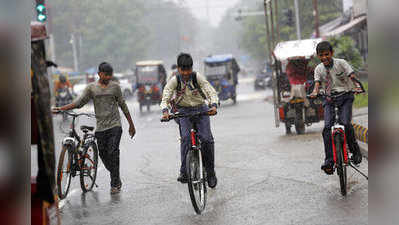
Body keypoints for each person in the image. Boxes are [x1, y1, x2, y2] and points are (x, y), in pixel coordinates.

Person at [52, 62, 136, 194]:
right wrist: (60, 108)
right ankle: (116, 176)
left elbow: (123, 105)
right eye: (106, 75)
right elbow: (79, 103)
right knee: (103, 154)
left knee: (113, 152)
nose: (108, 77)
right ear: (99, 74)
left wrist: (131, 124)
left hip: (115, 125)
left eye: (110, 75)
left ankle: (114, 183)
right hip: (101, 127)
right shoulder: (92, 88)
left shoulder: (115, 87)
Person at [160, 53, 219, 188]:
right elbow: (166, 96)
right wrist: (165, 112)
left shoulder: (197, 77)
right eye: (183, 70)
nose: (186, 73)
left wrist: (214, 105)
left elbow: (210, 91)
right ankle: (184, 172)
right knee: (186, 138)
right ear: (179, 69)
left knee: (206, 139)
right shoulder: (175, 80)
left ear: (192, 68)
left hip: (201, 110)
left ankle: (210, 172)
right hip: (183, 112)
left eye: (188, 69)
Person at [310, 41, 363, 175]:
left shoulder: (341, 63)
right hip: (328, 99)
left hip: (345, 96)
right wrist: (315, 91)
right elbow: (317, 84)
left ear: (332, 53)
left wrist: (357, 85)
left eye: (326, 54)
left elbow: (352, 76)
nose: (324, 58)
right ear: (318, 56)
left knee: (345, 123)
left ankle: (355, 153)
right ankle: (329, 161)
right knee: (327, 128)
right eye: (321, 55)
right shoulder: (319, 69)